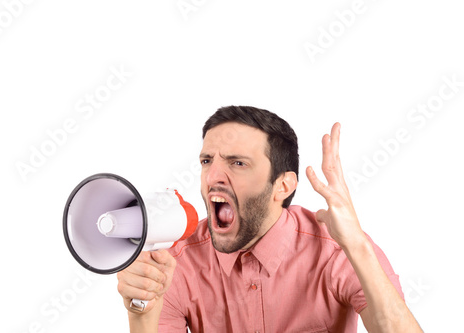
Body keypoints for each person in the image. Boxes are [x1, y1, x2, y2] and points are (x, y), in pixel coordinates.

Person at [117, 106, 422, 332]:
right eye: (207, 161)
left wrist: (357, 245)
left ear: (283, 186)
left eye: (238, 163)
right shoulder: (174, 262)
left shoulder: (336, 249)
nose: (212, 176)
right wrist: (141, 313)